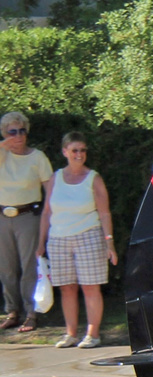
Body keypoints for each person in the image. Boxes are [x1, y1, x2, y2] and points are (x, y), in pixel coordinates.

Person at [36, 132, 115, 349]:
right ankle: (70, 333)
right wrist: (40, 243)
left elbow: (105, 213)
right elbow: (46, 212)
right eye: (74, 150)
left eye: (82, 150)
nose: (79, 154)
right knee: (66, 288)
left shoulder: (94, 178)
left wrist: (109, 243)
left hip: (88, 236)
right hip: (58, 238)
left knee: (90, 287)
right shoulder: (55, 178)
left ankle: (93, 334)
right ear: (65, 152)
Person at [0, 111, 53, 332]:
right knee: (6, 268)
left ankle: (32, 312)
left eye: (22, 131)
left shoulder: (37, 157)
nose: (18, 136)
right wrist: (4, 145)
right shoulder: (3, 154)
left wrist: (48, 218)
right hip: (3, 216)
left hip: (27, 217)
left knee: (30, 266)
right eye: (13, 132)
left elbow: (49, 189)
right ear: (5, 134)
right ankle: (12, 310)